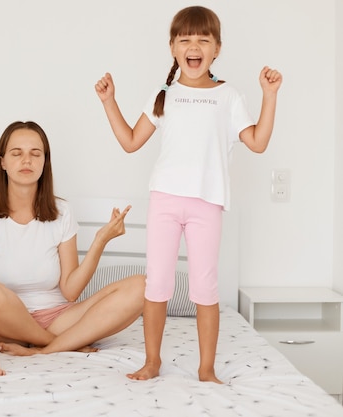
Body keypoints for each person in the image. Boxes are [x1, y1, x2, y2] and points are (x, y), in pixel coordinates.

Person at [95, 6, 282, 383]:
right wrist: (109, 102)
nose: (193, 46)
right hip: (164, 200)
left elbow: (258, 143)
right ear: (172, 47)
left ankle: (206, 369)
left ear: (217, 49)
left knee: (204, 288)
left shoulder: (229, 96)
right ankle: (152, 362)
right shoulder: (164, 94)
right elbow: (131, 141)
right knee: (157, 284)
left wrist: (269, 94)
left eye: (203, 39)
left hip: (206, 203)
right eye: (185, 39)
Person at [0, 120, 145, 356]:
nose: (26, 160)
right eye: (16, 153)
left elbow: (71, 291)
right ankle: (55, 344)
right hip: (2, 326)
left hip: (58, 318)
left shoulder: (63, 212)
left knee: (143, 286)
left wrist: (101, 240)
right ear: (3, 162)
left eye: (35, 154)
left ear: (44, 162)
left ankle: (40, 349)